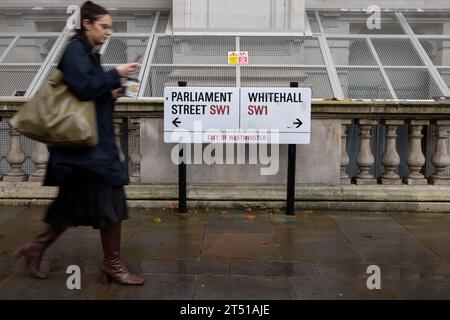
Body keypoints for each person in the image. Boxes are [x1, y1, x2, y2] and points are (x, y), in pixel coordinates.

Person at [13, 1, 144, 285]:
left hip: (85, 149)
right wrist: (116, 73)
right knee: (111, 200)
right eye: (104, 26)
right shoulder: (75, 50)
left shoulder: (88, 52)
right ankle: (113, 265)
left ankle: (34, 249)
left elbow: (87, 91)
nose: (109, 32)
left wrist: (112, 94)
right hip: (87, 149)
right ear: (87, 24)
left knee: (69, 206)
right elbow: (84, 87)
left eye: (110, 27)